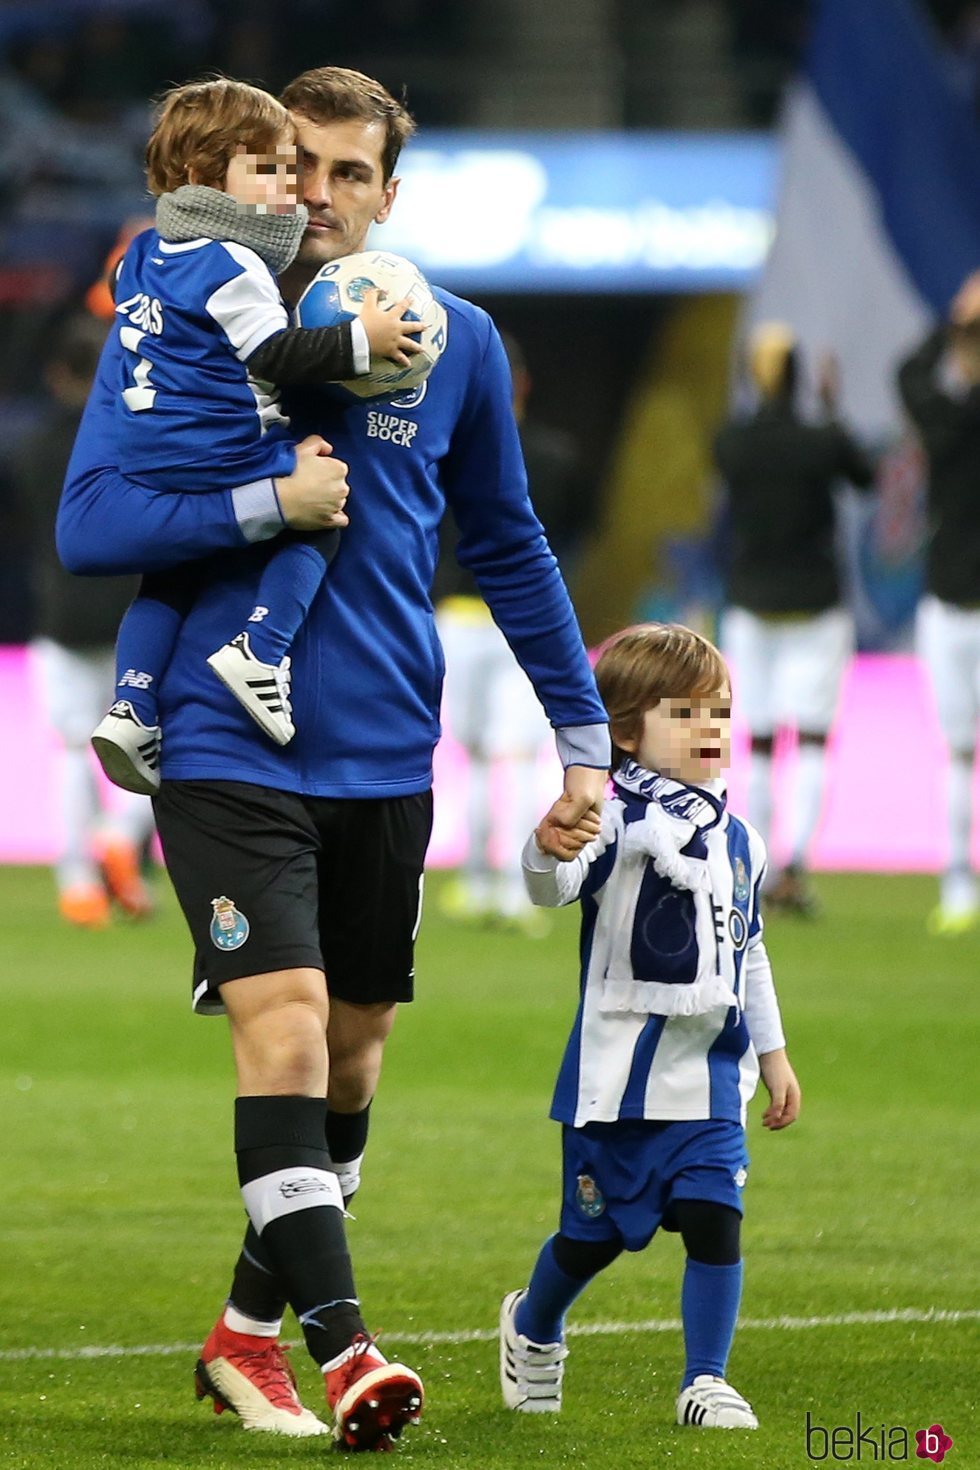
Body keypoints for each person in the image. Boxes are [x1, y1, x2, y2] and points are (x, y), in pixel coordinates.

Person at [57, 67, 610, 1450]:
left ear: (389, 193)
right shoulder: (193, 317)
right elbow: (92, 518)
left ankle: (245, 1332)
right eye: (294, 167)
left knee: (351, 1062)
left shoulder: (455, 340)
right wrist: (263, 499)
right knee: (289, 1023)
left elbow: (513, 543)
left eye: (346, 174)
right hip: (228, 738)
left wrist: (583, 735)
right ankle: (345, 1350)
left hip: (385, 753)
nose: (315, 196)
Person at [499, 622, 801, 1429]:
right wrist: (543, 844)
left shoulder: (742, 841)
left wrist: (772, 1056)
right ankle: (533, 1324)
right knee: (593, 1237)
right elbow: (550, 888)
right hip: (616, 1080)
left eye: (722, 715)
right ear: (626, 733)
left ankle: (705, 1380)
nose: (713, 733)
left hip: (710, 1077)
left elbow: (751, 950)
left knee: (715, 1217)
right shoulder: (616, 819)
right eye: (689, 715)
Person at [90, 78, 423, 795]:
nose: (296, 192)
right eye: (276, 169)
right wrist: (362, 342)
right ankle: (261, 648)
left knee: (169, 575)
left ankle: (131, 700)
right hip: (219, 443)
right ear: (204, 175)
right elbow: (275, 355)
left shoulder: (143, 251)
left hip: (149, 450)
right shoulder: (235, 264)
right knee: (320, 499)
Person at [713, 323, 874, 915]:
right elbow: (866, 476)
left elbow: (731, 461)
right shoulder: (820, 440)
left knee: (755, 740)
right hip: (815, 604)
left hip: (752, 603)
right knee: (809, 739)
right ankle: (795, 865)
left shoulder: (732, 441)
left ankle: (748, 864)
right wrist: (832, 413)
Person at [433, 330, 591, 932]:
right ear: (520, 385)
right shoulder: (554, 455)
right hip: (526, 621)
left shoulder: (447, 447)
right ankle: (524, 886)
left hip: (459, 618)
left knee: (471, 759)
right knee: (522, 758)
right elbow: (578, 531)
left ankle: (476, 883)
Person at [11, 312, 154, 928]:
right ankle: (121, 838)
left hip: (60, 618)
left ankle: (77, 884)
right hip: (134, 618)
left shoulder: (29, 448)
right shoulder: (136, 441)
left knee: (72, 751)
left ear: (53, 374)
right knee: (153, 750)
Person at [899, 269, 980, 934]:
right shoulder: (951, 419)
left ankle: (958, 880)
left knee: (958, 752)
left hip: (949, 603)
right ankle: (957, 877)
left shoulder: (944, 419)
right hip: (954, 603)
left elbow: (909, 373)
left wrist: (953, 323)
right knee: (956, 749)